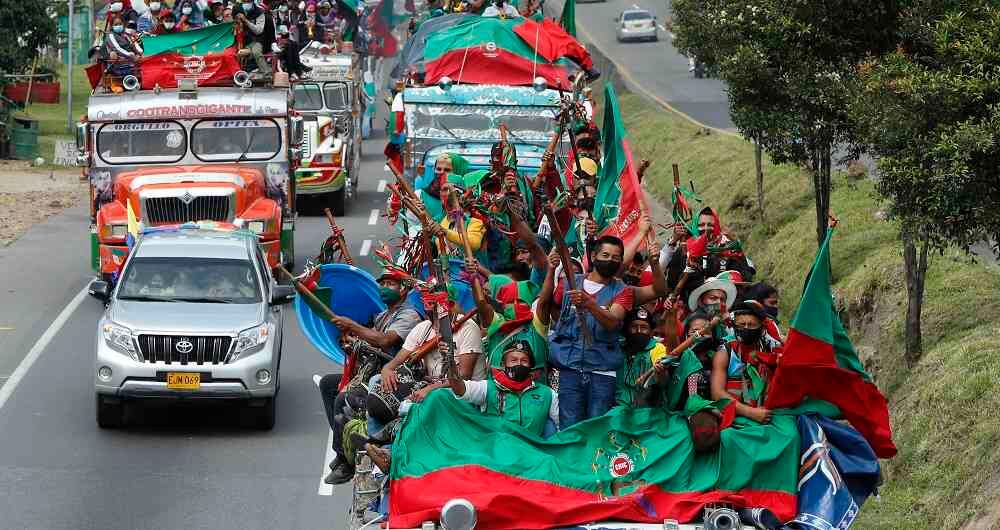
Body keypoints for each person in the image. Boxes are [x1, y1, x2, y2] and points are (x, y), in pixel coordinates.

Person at [318, 269, 422, 484]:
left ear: (403, 290)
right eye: (382, 284)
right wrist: (351, 342)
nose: (384, 288)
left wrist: (352, 325)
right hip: (374, 371)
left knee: (344, 398)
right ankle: (344, 445)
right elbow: (369, 340)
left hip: (396, 379)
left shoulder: (409, 315)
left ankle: (345, 461)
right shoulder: (383, 315)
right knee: (328, 384)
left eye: (390, 284)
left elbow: (384, 340)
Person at [544, 235, 633, 427]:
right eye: (605, 255)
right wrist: (550, 269)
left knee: (597, 429)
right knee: (569, 428)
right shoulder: (568, 282)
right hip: (569, 369)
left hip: (603, 372)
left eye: (616, 257)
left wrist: (590, 304)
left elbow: (613, 322)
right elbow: (551, 307)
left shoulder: (623, 290)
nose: (610, 260)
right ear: (593, 256)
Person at [447, 340, 559, 437]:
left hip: (531, 450)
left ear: (530, 366)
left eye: (524, 361)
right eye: (513, 360)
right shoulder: (488, 388)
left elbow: (560, 428)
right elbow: (460, 389)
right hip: (497, 450)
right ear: (503, 365)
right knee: (441, 395)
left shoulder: (547, 394)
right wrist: (450, 363)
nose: (519, 364)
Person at [710, 300, 780, 424]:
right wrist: (751, 412)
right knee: (728, 434)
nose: (746, 328)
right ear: (734, 326)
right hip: (737, 416)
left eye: (752, 325)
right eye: (742, 324)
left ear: (761, 328)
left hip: (770, 414)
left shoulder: (771, 349)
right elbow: (717, 393)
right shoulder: (725, 352)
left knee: (790, 432)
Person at [615, 307, 669, 408]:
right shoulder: (619, 347)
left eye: (644, 327)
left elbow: (663, 380)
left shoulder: (657, 348)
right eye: (634, 327)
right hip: (620, 407)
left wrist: (660, 372)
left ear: (651, 331)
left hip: (648, 408)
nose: (639, 331)